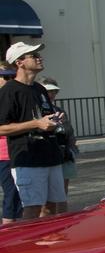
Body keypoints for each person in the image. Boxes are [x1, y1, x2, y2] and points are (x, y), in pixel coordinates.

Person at [0, 42, 66, 219]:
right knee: (32, 209)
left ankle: (51, 244)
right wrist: (35, 124)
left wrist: (55, 120)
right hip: (28, 159)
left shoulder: (40, 89)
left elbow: (43, 118)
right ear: (19, 62)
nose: (39, 58)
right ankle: (31, 246)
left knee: (53, 207)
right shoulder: (9, 91)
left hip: (50, 155)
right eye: (33, 55)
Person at [40, 78, 76, 211]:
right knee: (46, 198)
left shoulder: (59, 110)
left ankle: (62, 221)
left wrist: (71, 147)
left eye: (54, 91)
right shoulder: (38, 110)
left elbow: (69, 130)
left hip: (64, 153)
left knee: (62, 192)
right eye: (48, 91)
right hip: (46, 154)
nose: (52, 94)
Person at [0, 61, 22, 223]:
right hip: (4, 154)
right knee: (11, 192)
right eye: (5, 77)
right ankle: (7, 230)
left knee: (19, 193)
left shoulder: (14, 96)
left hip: (16, 150)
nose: (9, 80)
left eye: (11, 76)